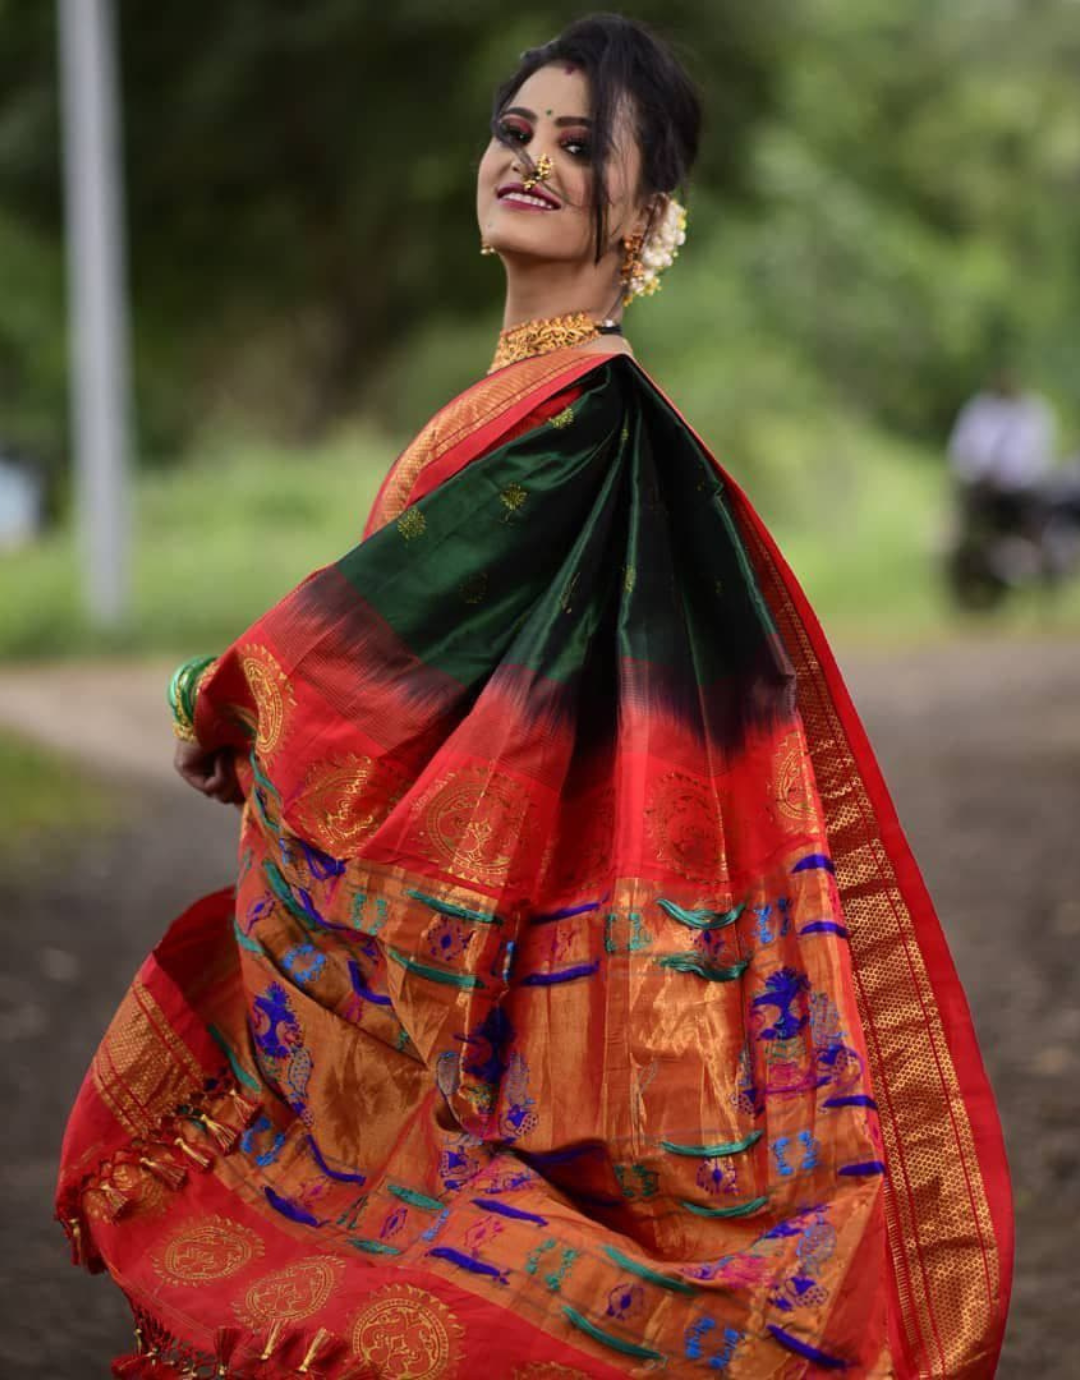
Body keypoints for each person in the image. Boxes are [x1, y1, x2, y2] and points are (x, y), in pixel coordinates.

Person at [57, 16, 1012, 1378]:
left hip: (511, 943)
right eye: (516, 132)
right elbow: (431, 668)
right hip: (471, 924)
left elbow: (369, 642)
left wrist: (216, 697)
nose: (533, 158)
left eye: (581, 145)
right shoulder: (533, 399)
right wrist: (271, 737)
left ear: (648, 217)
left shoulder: (579, 416)